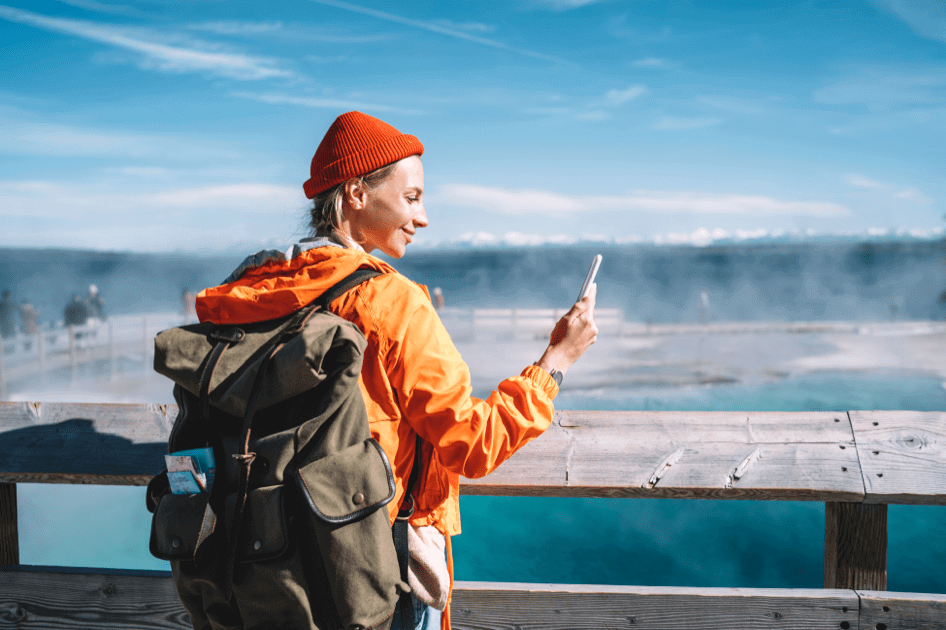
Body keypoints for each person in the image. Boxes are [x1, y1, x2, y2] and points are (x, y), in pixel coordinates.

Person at [195, 111, 597, 630]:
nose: (424, 217)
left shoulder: (252, 292)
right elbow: (469, 443)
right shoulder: (389, 301)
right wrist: (555, 363)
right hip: (366, 573)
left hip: (260, 566)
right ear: (357, 193)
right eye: (411, 198)